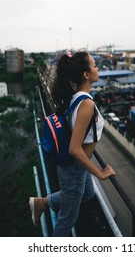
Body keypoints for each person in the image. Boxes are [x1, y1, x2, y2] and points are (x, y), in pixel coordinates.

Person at [29, 51, 116, 237]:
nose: (97, 68)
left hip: (77, 166)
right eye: (94, 65)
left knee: (87, 194)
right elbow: (75, 149)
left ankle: (42, 202)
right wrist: (100, 173)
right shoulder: (86, 104)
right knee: (66, 221)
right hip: (74, 166)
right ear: (86, 74)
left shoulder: (76, 97)